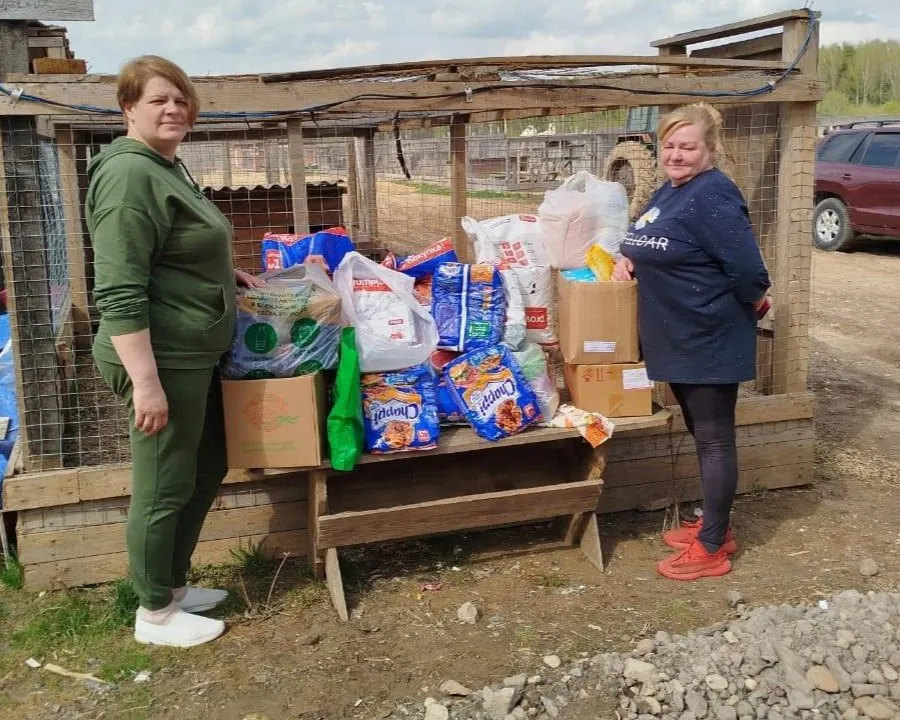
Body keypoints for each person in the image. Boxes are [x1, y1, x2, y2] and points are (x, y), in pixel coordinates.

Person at [85, 55, 263, 646]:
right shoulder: (130, 175)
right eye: (158, 99)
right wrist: (146, 381)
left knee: (206, 464)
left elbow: (175, 247)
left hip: (193, 347)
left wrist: (225, 274)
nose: (173, 109)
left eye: (181, 99)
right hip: (159, 356)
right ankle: (153, 611)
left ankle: (174, 584)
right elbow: (119, 287)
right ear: (127, 107)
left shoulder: (167, 166)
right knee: (163, 482)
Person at [611, 102, 771, 581]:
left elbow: (749, 272)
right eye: (669, 145)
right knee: (704, 436)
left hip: (708, 333)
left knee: (715, 440)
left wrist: (750, 305)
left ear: (711, 149)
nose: (676, 155)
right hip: (677, 333)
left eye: (688, 147)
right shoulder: (673, 190)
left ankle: (712, 545)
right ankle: (714, 526)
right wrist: (631, 261)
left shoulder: (714, 195)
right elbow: (656, 239)